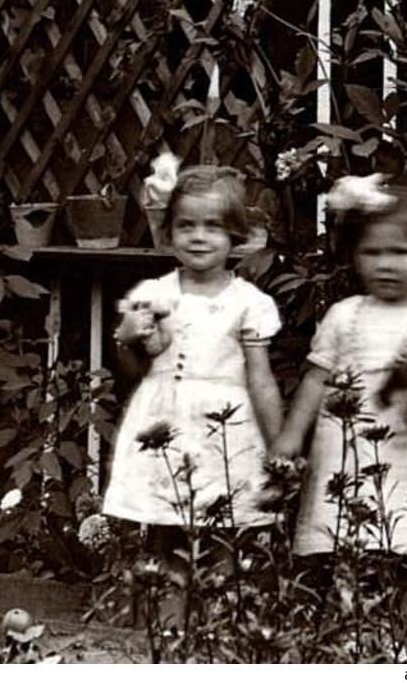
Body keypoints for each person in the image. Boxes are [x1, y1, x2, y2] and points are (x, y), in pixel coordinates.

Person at [272, 174, 407, 560]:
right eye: (372, 253)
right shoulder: (344, 315)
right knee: (347, 536)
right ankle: (352, 610)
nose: (386, 265)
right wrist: (291, 436)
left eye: (401, 252)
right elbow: (315, 379)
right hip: (351, 445)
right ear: (354, 256)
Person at [102, 164, 283, 546]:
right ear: (169, 233)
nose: (199, 237)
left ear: (236, 235)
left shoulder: (249, 302)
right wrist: (127, 339)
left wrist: (279, 445)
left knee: (224, 534)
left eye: (213, 226)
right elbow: (134, 371)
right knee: (167, 534)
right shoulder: (154, 293)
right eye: (186, 226)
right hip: (165, 425)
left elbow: (261, 379)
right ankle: (168, 603)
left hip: (226, 428)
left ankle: (218, 605)